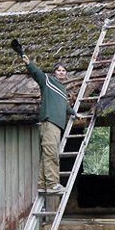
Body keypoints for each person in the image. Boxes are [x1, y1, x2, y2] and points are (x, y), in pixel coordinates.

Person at [22, 54, 80, 194]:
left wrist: (74, 113)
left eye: (64, 70)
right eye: (59, 70)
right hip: (49, 123)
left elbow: (63, 106)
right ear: (54, 72)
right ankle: (53, 184)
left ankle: (42, 185)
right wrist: (29, 63)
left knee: (47, 155)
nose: (61, 72)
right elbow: (37, 73)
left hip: (56, 125)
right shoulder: (48, 81)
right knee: (52, 154)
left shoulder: (62, 89)